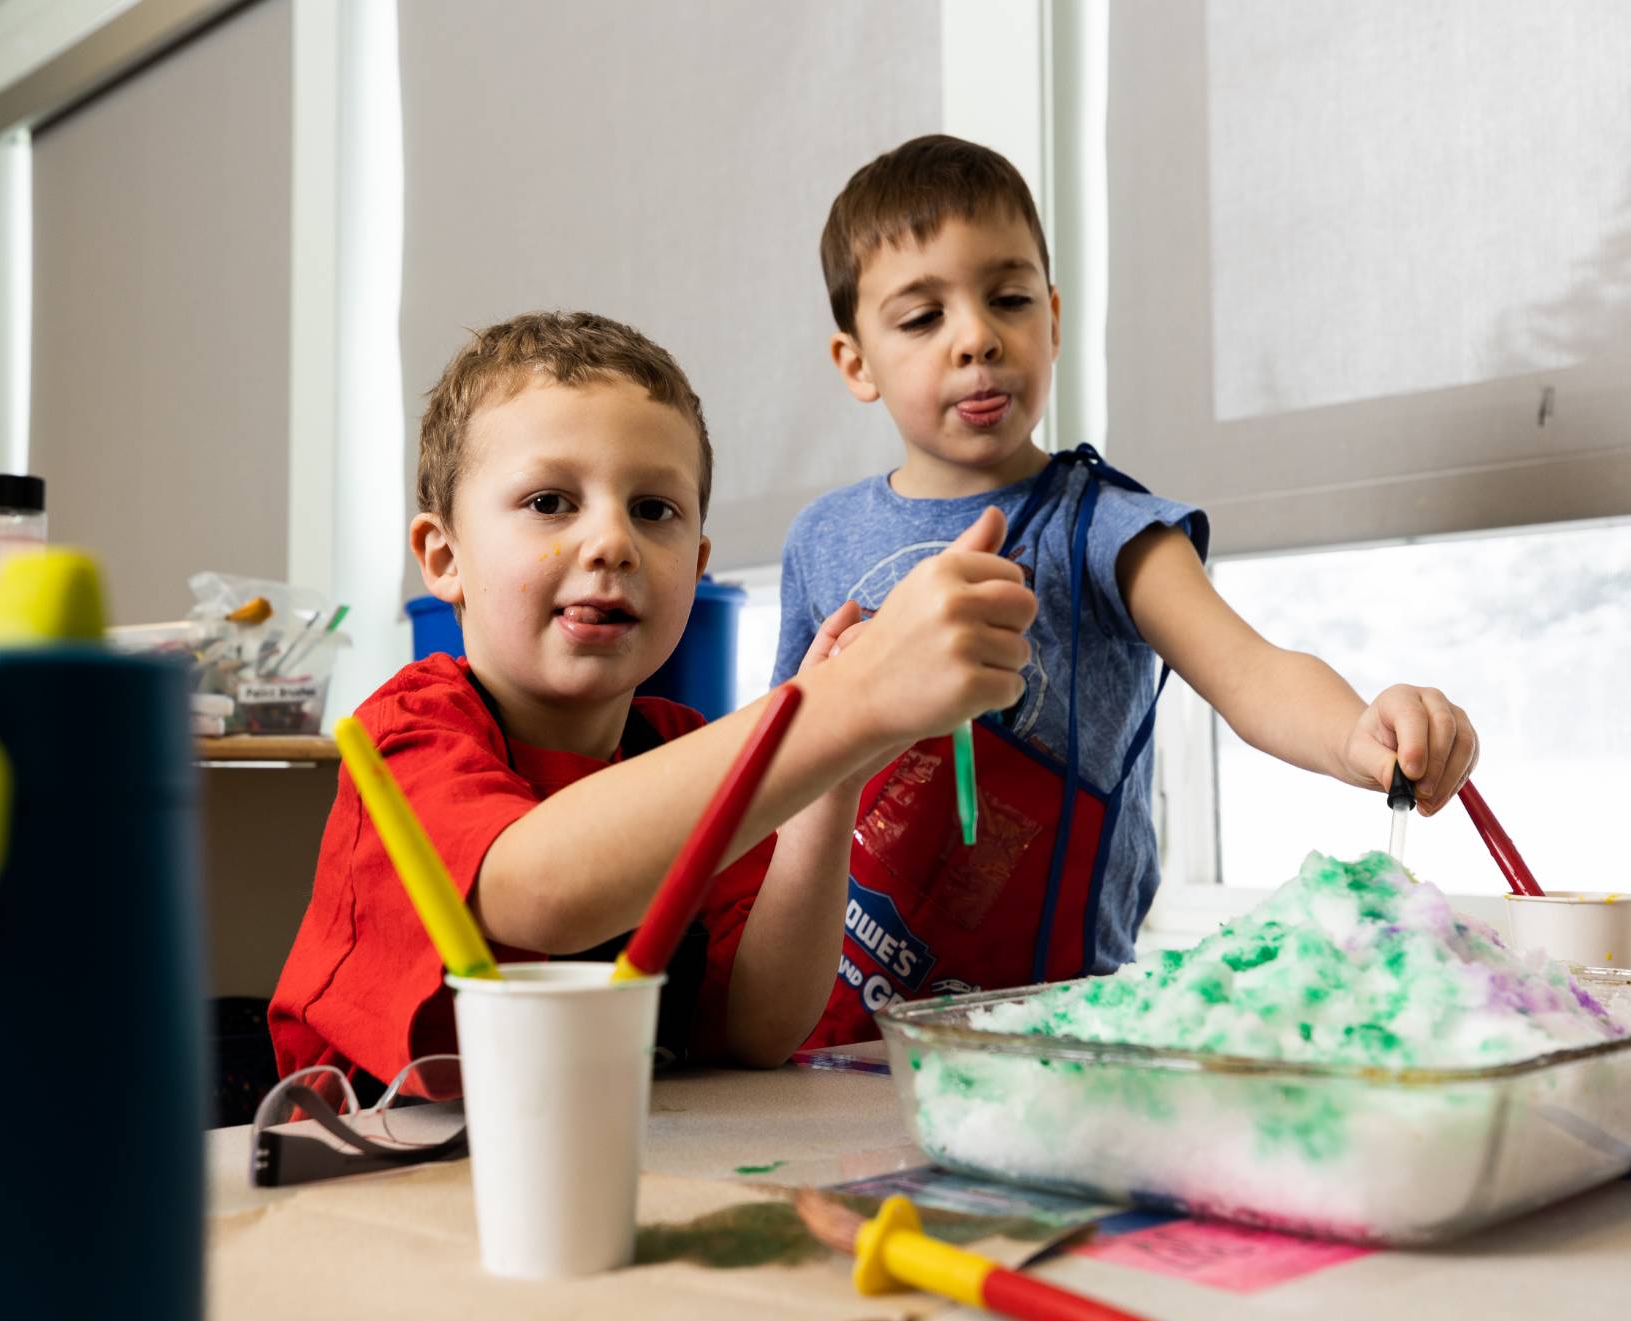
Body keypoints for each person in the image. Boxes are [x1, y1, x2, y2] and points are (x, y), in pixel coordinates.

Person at [776, 136, 1478, 1043]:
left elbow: (1251, 671)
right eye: (920, 319)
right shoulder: (820, 539)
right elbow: (778, 773)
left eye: (1011, 299)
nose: (977, 337)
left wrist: (1357, 735)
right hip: (832, 1023)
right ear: (855, 363)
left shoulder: (1108, 526)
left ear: (1056, 320)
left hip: (1053, 1034)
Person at [269, 310, 1037, 1095]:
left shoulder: (678, 748)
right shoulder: (410, 729)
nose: (612, 541)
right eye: (549, 502)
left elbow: (759, 1025)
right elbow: (540, 892)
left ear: (698, 565)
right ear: (444, 556)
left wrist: (831, 779)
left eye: (653, 510)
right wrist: (839, 701)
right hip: (371, 1176)